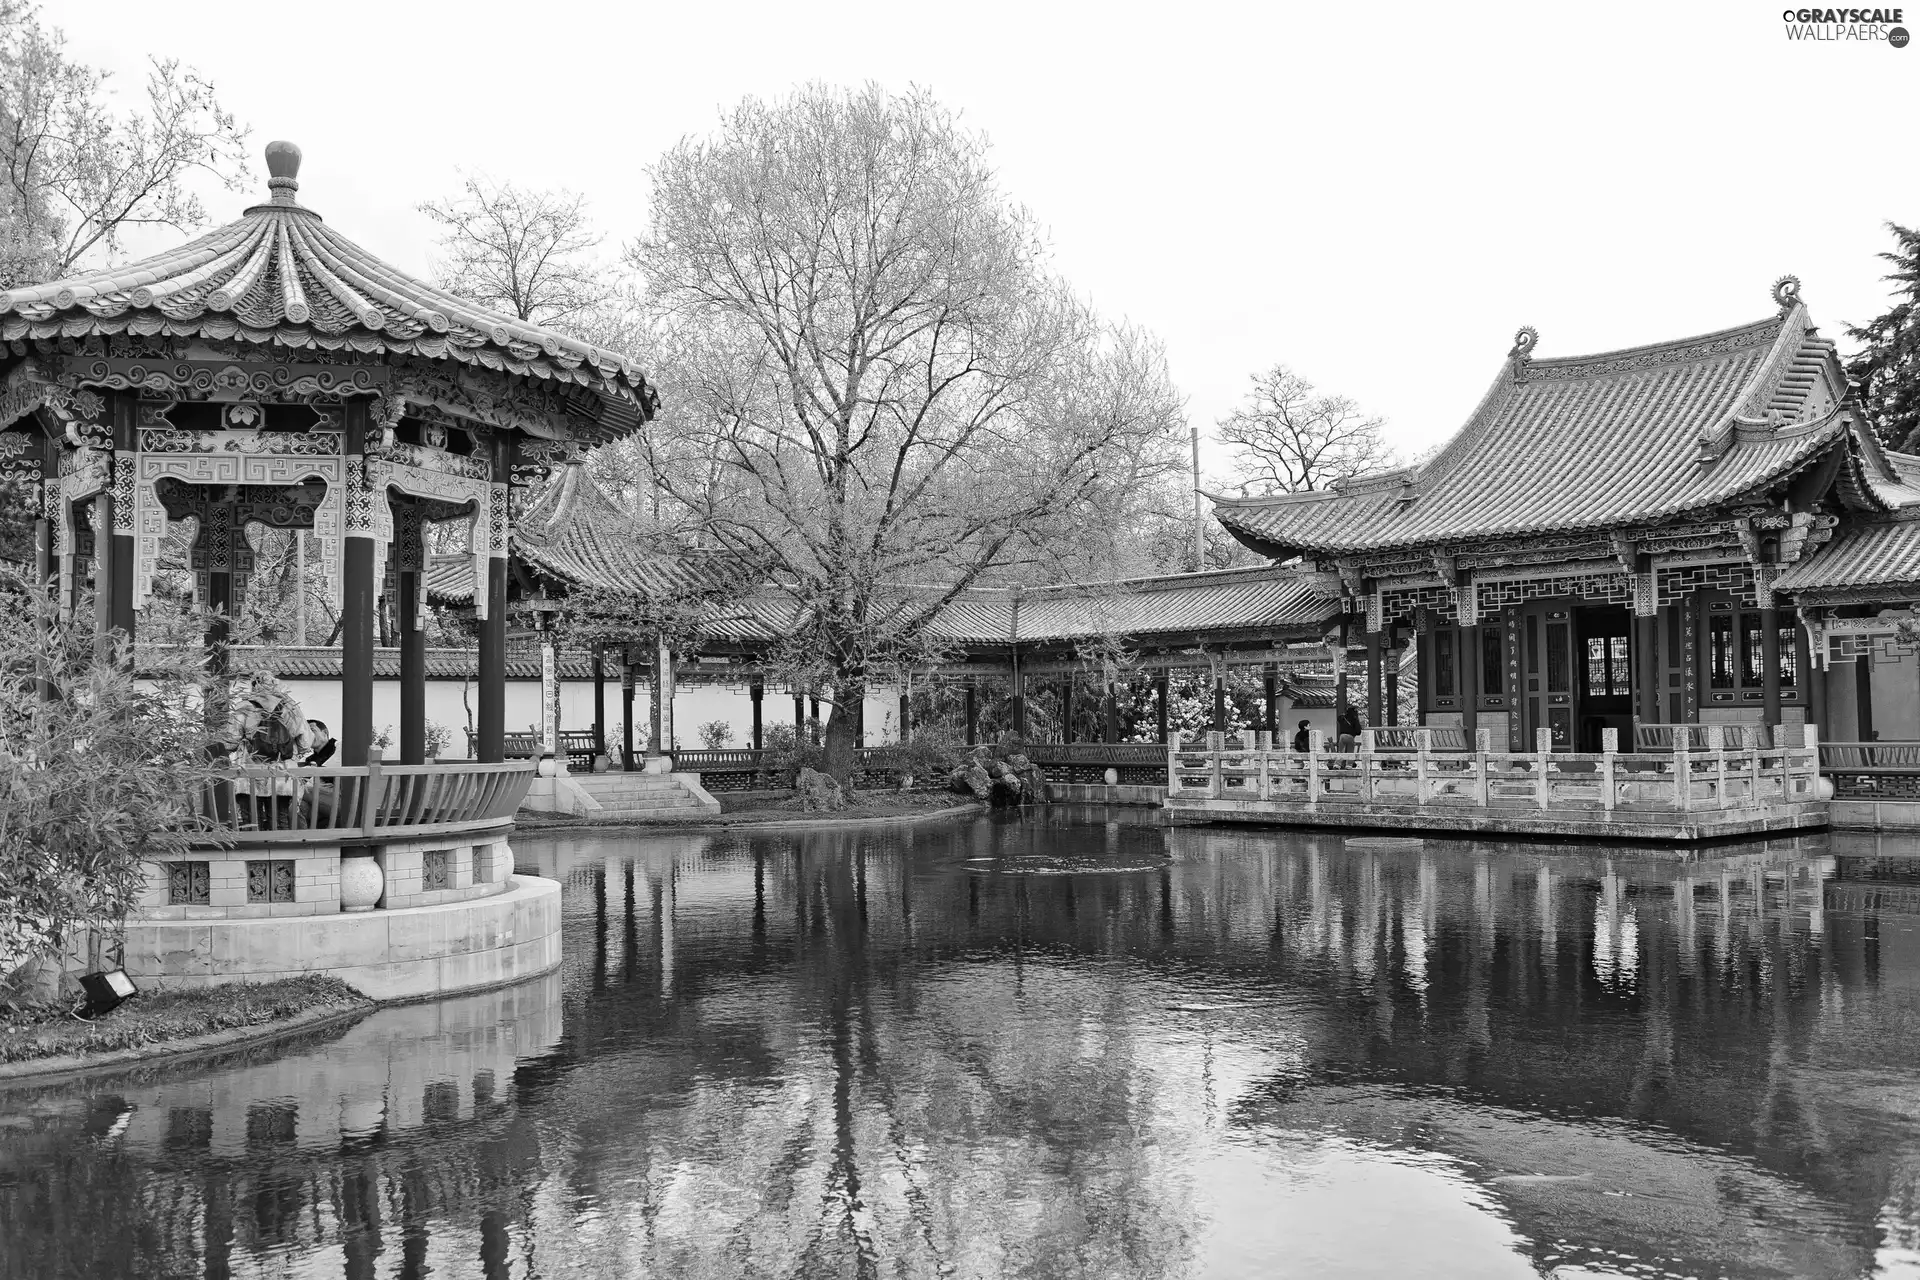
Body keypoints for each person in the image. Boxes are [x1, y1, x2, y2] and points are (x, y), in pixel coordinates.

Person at [230, 673, 316, 830]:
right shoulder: (291, 707)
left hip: (250, 773)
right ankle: (279, 850)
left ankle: (253, 851)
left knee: (251, 821)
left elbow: (230, 742)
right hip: (281, 775)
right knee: (279, 819)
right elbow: (305, 743)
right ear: (276, 684)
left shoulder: (244, 707)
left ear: (253, 686)